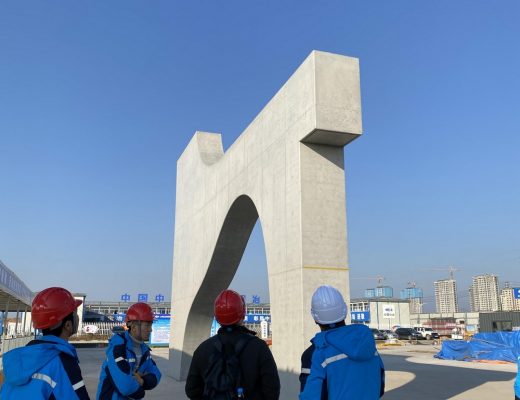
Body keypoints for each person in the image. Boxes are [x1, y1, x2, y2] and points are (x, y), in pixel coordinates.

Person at [185, 289, 280, 400]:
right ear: (242, 314)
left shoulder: (203, 349)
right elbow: (272, 390)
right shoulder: (259, 347)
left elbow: (191, 390)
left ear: (216, 316)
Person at [1, 286, 90, 399]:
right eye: (74, 314)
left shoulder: (20, 359)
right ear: (67, 325)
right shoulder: (63, 362)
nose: (77, 318)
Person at [299, 285, 385, 400]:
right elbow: (380, 387)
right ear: (344, 311)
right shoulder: (367, 344)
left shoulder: (314, 353)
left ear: (315, 318)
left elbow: (310, 396)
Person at [96, 302, 161, 399]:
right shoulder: (118, 349)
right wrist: (141, 391)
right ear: (134, 327)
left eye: (150, 325)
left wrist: (142, 381)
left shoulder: (144, 350)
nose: (150, 330)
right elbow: (126, 387)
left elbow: (157, 374)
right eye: (147, 325)